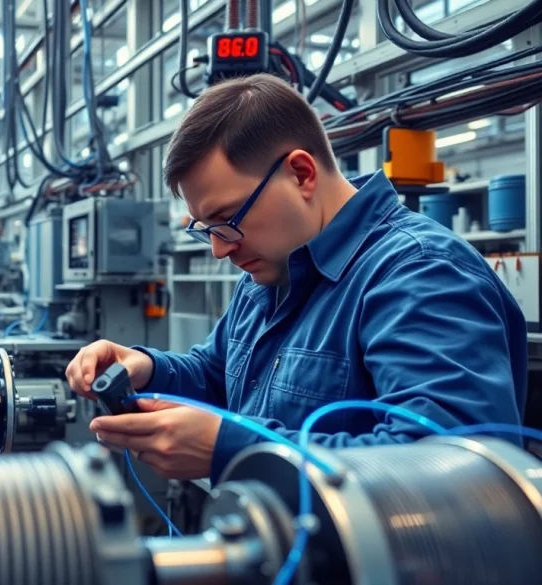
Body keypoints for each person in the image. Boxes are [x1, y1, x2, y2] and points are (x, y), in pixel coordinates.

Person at [66, 74, 527, 482]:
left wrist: (232, 448)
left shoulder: (419, 273)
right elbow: (220, 375)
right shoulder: (272, 272)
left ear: (302, 174)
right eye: (206, 229)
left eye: (227, 219)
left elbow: (458, 472)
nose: (220, 248)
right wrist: (149, 368)